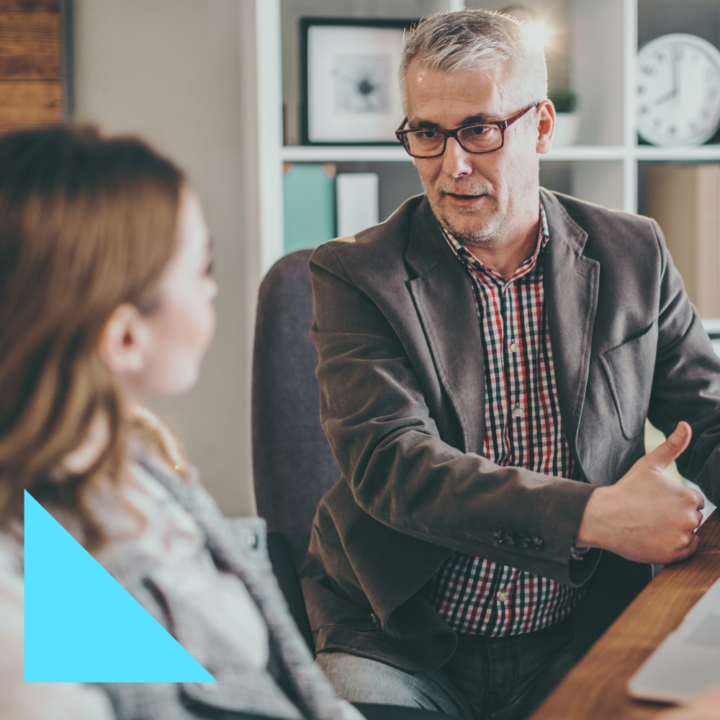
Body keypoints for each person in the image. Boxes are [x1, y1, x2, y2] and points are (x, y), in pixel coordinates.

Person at [300, 8, 720, 720]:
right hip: (396, 638)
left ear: (543, 127)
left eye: (480, 129)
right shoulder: (354, 274)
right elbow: (392, 465)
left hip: (578, 631)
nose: (451, 164)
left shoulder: (633, 254)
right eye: (427, 134)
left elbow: (708, 419)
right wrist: (593, 515)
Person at [0, 125, 362, 720]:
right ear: (124, 337)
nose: (214, 290)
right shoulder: (34, 586)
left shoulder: (138, 465)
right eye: (201, 270)